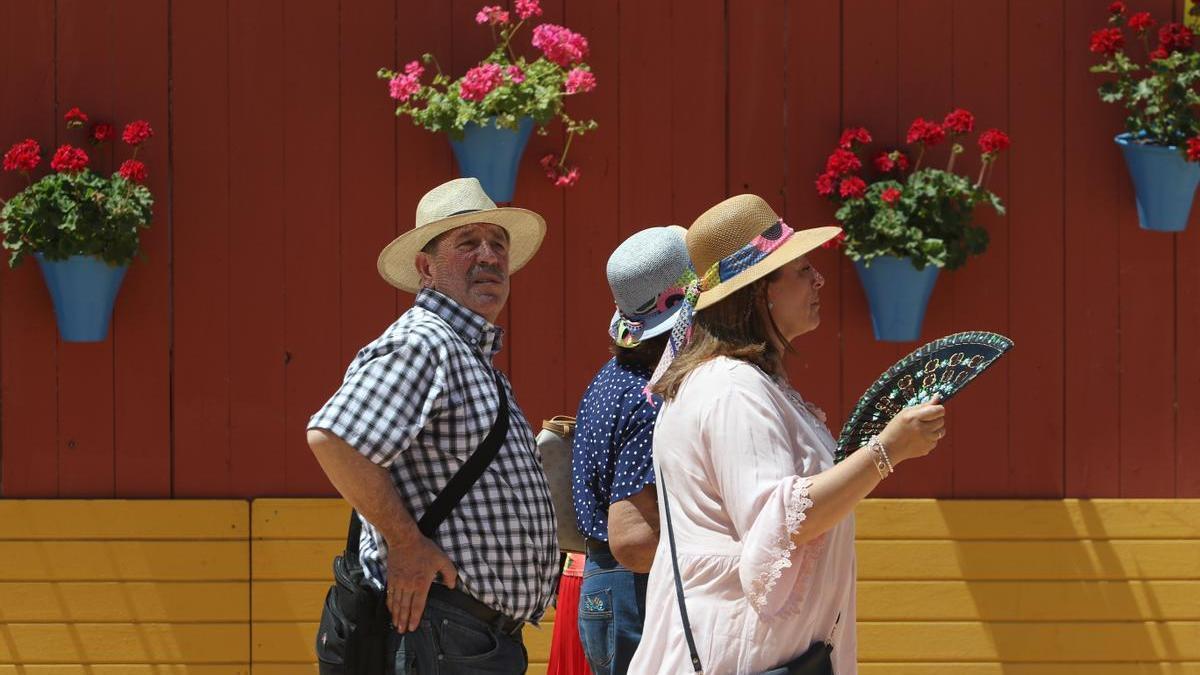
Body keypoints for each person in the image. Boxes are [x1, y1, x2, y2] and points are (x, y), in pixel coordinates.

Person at [628, 194, 947, 674]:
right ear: (761, 291)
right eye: (801, 270)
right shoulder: (731, 388)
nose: (818, 279)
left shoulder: (745, 383)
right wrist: (887, 452)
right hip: (738, 655)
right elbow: (782, 521)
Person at [307, 177, 560, 674]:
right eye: (468, 244)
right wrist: (406, 545)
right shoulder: (426, 341)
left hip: (464, 636)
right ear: (426, 267)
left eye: (498, 244)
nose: (489, 256)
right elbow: (332, 438)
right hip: (446, 633)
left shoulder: (464, 351)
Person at [572, 225, 691, 675]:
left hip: (605, 587)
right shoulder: (650, 399)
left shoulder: (610, 378)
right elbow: (635, 543)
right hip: (635, 593)